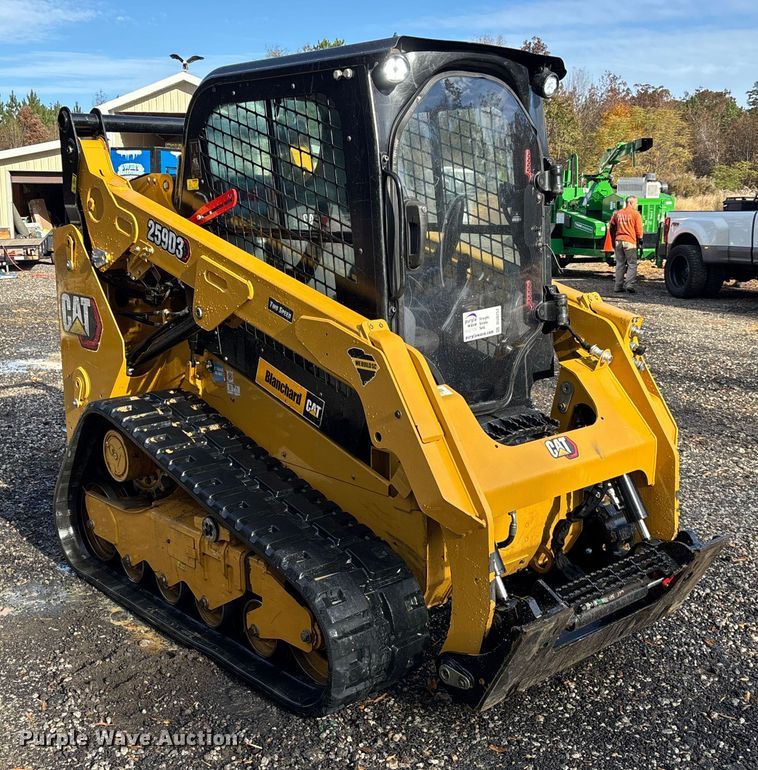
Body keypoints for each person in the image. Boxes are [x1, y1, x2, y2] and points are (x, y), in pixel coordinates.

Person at [608, 196, 643, 293]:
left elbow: (612, 228)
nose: (636, 205)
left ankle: (618, 286)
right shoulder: (635, 214)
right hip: (629, 242)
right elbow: (639, 230)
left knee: (620, 264)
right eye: (636, 203)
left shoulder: (617, 214)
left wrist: (613, 241)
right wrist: (640, 241)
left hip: (618, 241)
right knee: (632, 264)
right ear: (631, 203)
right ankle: (629, 284)